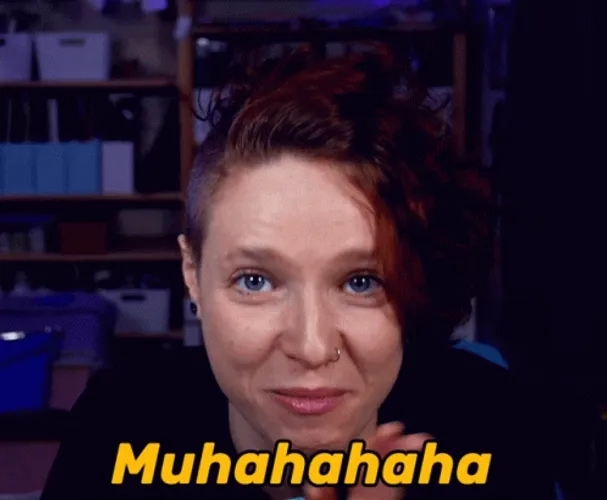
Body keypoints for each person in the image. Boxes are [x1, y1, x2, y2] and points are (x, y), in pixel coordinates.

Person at [39, 45, 560, 500]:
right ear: (192, 273)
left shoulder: (491, 427)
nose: (311, 347)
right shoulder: (116, 428)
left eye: (361, 282)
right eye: (255, 281)